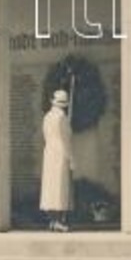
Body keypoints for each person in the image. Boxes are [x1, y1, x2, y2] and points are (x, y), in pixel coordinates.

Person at [40, 89, 74, 231]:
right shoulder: (62, 117)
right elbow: (65, 140)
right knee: (60, 188)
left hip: (49, 153)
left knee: (50, 188)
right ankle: (59, 221)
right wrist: (71, 158)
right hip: (60, 154)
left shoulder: (47, 116)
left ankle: (53, 220)